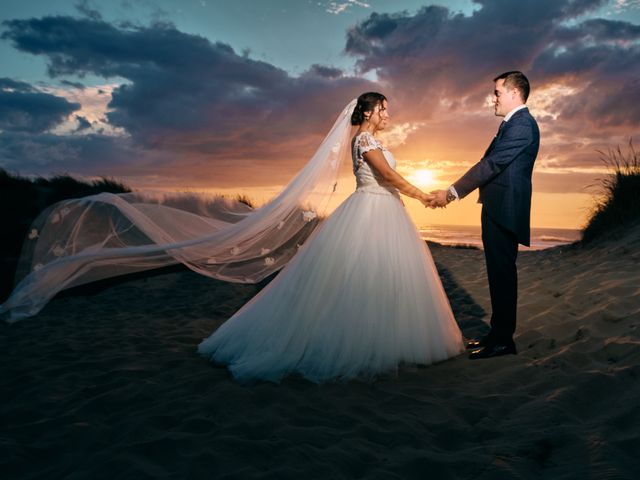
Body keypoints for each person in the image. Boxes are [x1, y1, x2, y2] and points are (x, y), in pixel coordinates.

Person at [198, 92, 465, 383]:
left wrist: (406, 199)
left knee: (383, 276)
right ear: (367, 113)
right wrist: (423, 196)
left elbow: (388, 180)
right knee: (362, 276)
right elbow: (387, 176)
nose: (387, 115)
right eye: (382, 110)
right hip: (370, 210)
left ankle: (379, 339)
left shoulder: (375, 141)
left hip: (388, 209)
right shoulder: (363, 140)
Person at [428, 71, 540, 360]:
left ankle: (503, 341)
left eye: (497, 93)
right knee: (497, 274)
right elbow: (488, 164)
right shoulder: (511, 124)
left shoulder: (523, 125)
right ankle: (497, 335)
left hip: (506, 211)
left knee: (502, 275)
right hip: (496, 208)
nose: (494, 98)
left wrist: (451, 192)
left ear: (515, 93)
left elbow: (491, 165)